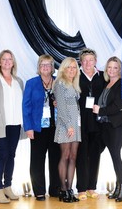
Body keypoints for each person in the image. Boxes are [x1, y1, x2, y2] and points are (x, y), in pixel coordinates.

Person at [92, 56, 122, 202]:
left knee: (116, 155)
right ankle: (117, 188)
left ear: (119, 69)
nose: (112, 70)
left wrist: (100, 111)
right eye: (110, 67)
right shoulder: (106, 84)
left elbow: (117, 106)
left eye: (115, 67)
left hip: (117, 124)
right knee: (112, 155)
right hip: (105, 125)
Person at [22, 54, 60, 201]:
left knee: (55, 159)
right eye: (42, 64)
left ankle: (55, 189)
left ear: (52, 67)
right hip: (38, 128)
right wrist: (28, 127)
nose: (45, 67)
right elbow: (26, 107)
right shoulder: (31, 83)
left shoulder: (58, 82)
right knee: (37, 160)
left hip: (55, 127)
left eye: (48, 64)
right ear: (39, 67)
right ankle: (39, 191)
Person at [0, 50, 25, 203]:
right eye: (4, 59)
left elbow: (23, 104)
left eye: (9, 59)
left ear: (13, 62)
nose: (6, 62)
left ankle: (8, 186)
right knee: (3, 154)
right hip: (0, 124)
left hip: (15, 124)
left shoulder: (19, 81)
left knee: (11, 155)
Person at [76, 48, 106, 200]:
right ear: (81, 61)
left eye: (91, 60)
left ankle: (91, 187)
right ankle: (81, 188)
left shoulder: (102, 76)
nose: (88, 63)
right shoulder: (75, 74)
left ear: (95, 61)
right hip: (80, 121)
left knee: (95, 154)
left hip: (97, 121)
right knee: (81, 155)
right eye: (85, 60)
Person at [53, 57, 81, 203]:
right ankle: (63, 190)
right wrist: (69, 125)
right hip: (65, 124)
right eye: (69, 67)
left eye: (74, 67)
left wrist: (74, 125)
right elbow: (62, 107)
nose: (72, 70)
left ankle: (70, 189)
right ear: (63, 68)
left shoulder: (74, 84)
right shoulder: (59, 83)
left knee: (73, 157)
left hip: (76, 125)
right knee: (65, 156)